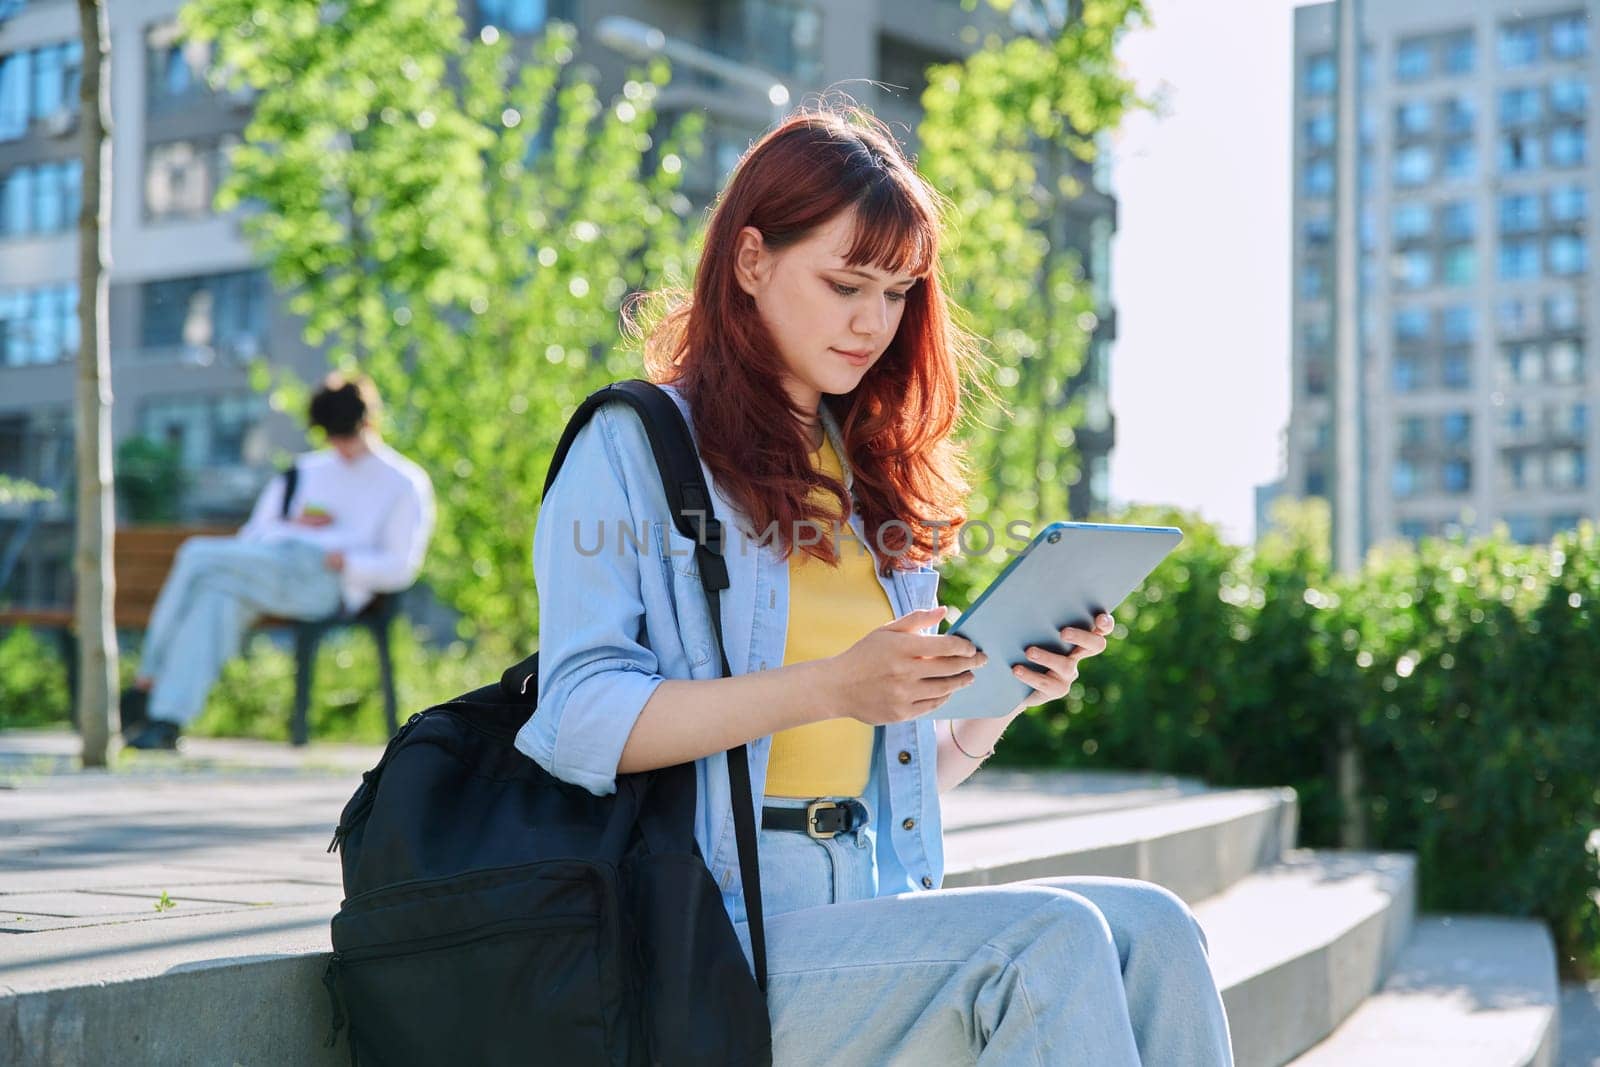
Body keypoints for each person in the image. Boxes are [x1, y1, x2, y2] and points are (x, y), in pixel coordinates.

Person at [518, 107, 1233, 1065]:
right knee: (1045, 942)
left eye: (898, 291)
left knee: (1155, 926)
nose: (873, 321)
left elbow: (892, 765)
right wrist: (829, 686)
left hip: (871, 892)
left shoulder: (871, 472)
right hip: (714, 930)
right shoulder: (637, 445)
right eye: (845, 283)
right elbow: (576, 718)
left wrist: (990, 705)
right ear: (751, 261)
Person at [121, 374, 435, 751]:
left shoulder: (403, 481)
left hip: (326, 579)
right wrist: (291, 525)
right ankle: (166, 720)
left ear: (370, 423)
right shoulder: (303, 472)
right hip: (271, 564)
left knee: (195, 554)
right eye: (331, 437)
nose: (340, 446)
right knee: (216, 596)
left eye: (347, 435)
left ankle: (146, 680)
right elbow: (253, 536)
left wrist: (346, 561)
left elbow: (402, 566)